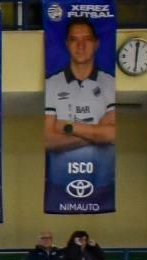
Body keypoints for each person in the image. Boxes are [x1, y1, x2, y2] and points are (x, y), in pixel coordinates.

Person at [44, 17, 116, 206]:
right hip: (59, 185)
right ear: (67, 44)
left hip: (103, 184)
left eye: (87, 40)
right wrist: (96, 133)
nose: (81, 46)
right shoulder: (51, 84)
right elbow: (47, 140)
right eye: (74, 40)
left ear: (96, 44)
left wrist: (69, 127)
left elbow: (113, 134)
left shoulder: (110, 84)